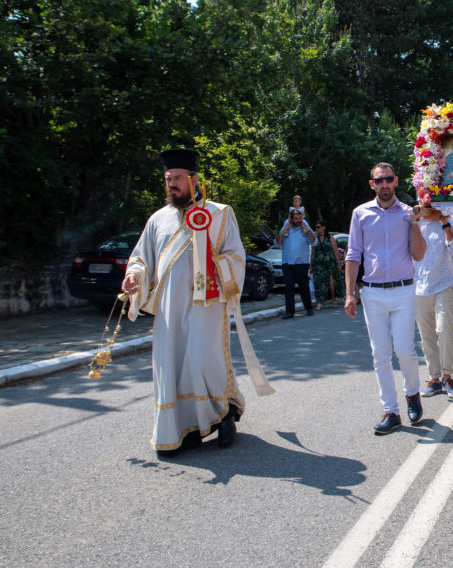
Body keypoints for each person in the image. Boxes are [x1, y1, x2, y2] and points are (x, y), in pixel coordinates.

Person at [121, 148, 274, 455]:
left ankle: (224, 415)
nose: (171, 185)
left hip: (207, 305)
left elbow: (236, 256)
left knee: (203, 363)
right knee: (172, 366)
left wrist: (213, 268)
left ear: (194, 180)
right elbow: (141, 258)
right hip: (168, 310)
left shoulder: (218, 214)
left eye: (177, 178)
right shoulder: (157, 219)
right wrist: (134, 276)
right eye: (167, 179)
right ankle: (184, 429)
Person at [345, 162, 426, 434]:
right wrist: (349, 294)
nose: (384, 184)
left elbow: (419, 254)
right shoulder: (361, 214)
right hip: (372, 292)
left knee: (404, 349)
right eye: (379, 180)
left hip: (403, 289)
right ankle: (390, 411)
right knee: (380, 354)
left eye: (388, 179)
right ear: (372, 184)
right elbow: (353, 254)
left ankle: (412, 393)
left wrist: (414, 224)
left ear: (396, 181)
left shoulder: (408, 213)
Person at [415, 207, 453, 400]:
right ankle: (434, 379)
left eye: (428, 200)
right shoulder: (414, 223)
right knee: (426, 336)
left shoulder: (450, 222)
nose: (424, 205)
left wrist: (443, 222)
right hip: (418, 286)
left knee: (444, 330)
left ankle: (448, 377)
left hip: (443, 284)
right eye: (421, 200)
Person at [277, 209, 316, 319]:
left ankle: (309, 308)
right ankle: (290, 312)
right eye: (296, 218)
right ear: (291, 219)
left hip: (301, 263)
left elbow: (314, 241)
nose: (298, 220)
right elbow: (278, 243)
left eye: (300, 218)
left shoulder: (304, 229)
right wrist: (282, 233)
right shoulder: (286, 229)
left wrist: (308, 231)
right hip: (287, 263)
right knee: (289, 288)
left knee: (304, 287)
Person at [311, 220, 343, 309]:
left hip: (329, 263)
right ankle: (320, 302)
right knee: (318, 282)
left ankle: (333, 299)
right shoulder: (315, 239)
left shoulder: (330, 238)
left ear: (323, 227)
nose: (317, 229)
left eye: (318, 227)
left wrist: (338, 264)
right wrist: (311, 264)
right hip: (318, 264)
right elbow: (313, 252)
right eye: (316, 227)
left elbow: (336, 251)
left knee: (330, 282)